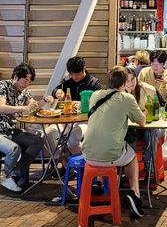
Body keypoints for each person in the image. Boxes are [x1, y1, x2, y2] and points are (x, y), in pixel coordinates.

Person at [82, 66, 146, 218]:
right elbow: (142, 122)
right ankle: (135, 195)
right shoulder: (127, 98)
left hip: (88, 154)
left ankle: (98, 183)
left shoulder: (95, 95)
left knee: (113, 145)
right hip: (110, 156)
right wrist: (144, 112)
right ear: (124, 83)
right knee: (131, 157)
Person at [0, 63, 46, 192]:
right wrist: (25, 108)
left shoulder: (24, 91)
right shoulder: (3, 86)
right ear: (15, 77)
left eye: (29, 81)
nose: (27, 83)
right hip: (0, 131)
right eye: (25, 80)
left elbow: (33, 104)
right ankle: (9, 177)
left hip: (11, 131)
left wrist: (44, 101)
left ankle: (13, 176)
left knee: (36, 141)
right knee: (14, 149)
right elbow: (1, 108)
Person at [49, 56, 101, 155]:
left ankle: (81, 166)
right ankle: (64, 161)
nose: (75, 77)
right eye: (71, 74)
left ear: (84, 68)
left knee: (72, 140)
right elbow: (55, 91)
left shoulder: (94, 83)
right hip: (66, 120)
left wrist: (83, 103)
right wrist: (57, 92)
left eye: (77, 74)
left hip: (86, 121)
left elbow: (99, 102)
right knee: (47, 134)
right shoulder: (67, 81)